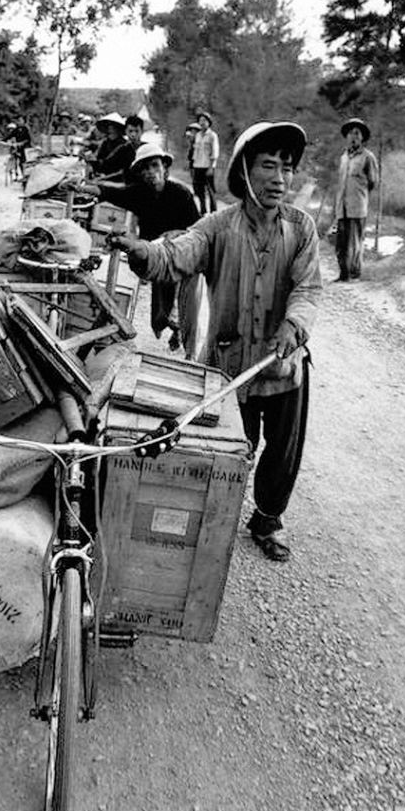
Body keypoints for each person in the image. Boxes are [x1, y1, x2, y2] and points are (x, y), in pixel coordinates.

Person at [108, 121, 322, 562]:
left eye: (286, 167)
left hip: (281, 366)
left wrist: (294, 325)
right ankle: (211, 521)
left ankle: (267, 519)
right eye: (268, 166)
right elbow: (176, 255)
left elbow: (308, 289)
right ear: (244, 169)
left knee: (282, 452)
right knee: (223, 452)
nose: (280, 178)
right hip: (227, 365)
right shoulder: (216, 227)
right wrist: (146, 253)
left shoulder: (302, 229)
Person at [79, 142, 200, 354]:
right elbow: (109, 192)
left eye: (154, 166)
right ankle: (171, 325)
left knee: (185, 303)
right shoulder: (139, 193)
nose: (151, 173)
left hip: (183, 253)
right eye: (145, 169)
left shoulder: (181, 194)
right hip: (157, 257)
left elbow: (197, 230)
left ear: (164, 167)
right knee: (162, 302)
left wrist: (174, 236)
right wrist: (80, 186)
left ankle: (188, 346)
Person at [334, 117, 378, 281]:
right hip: (342, 207)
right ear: (346, 137)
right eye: (350, 133)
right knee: (341, 244)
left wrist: (360, 195)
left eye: (357, 133)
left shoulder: (368, 157)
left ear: (362, 137)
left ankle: (354, 274)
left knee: (355, 242)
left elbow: (373, 181)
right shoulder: (343, 157)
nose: (353, 136)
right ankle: (343, 274)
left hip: (357, 206)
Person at [86, 112, 135, 182]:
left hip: (118, 178)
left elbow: (120, 168)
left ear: (118, 129)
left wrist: (102, 176)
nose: (110, 128)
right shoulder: (105, 142)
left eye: (112, 126)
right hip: (103, 173)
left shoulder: (125, 145)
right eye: (108, 126)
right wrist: (90, 159)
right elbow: (97, 157)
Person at [191, 111, 219, 213]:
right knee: (199, 190)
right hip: (198, 165)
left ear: (209, 122)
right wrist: (193, 165)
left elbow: (215, 152)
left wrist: (211, 167)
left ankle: (214, 211)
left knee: (210, 190)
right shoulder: (197, 135)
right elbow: (195, 151)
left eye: (204, 120)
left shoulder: (212, 135)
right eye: (200, 121)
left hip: (207, 166)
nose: (202, 123)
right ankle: (203, 210)